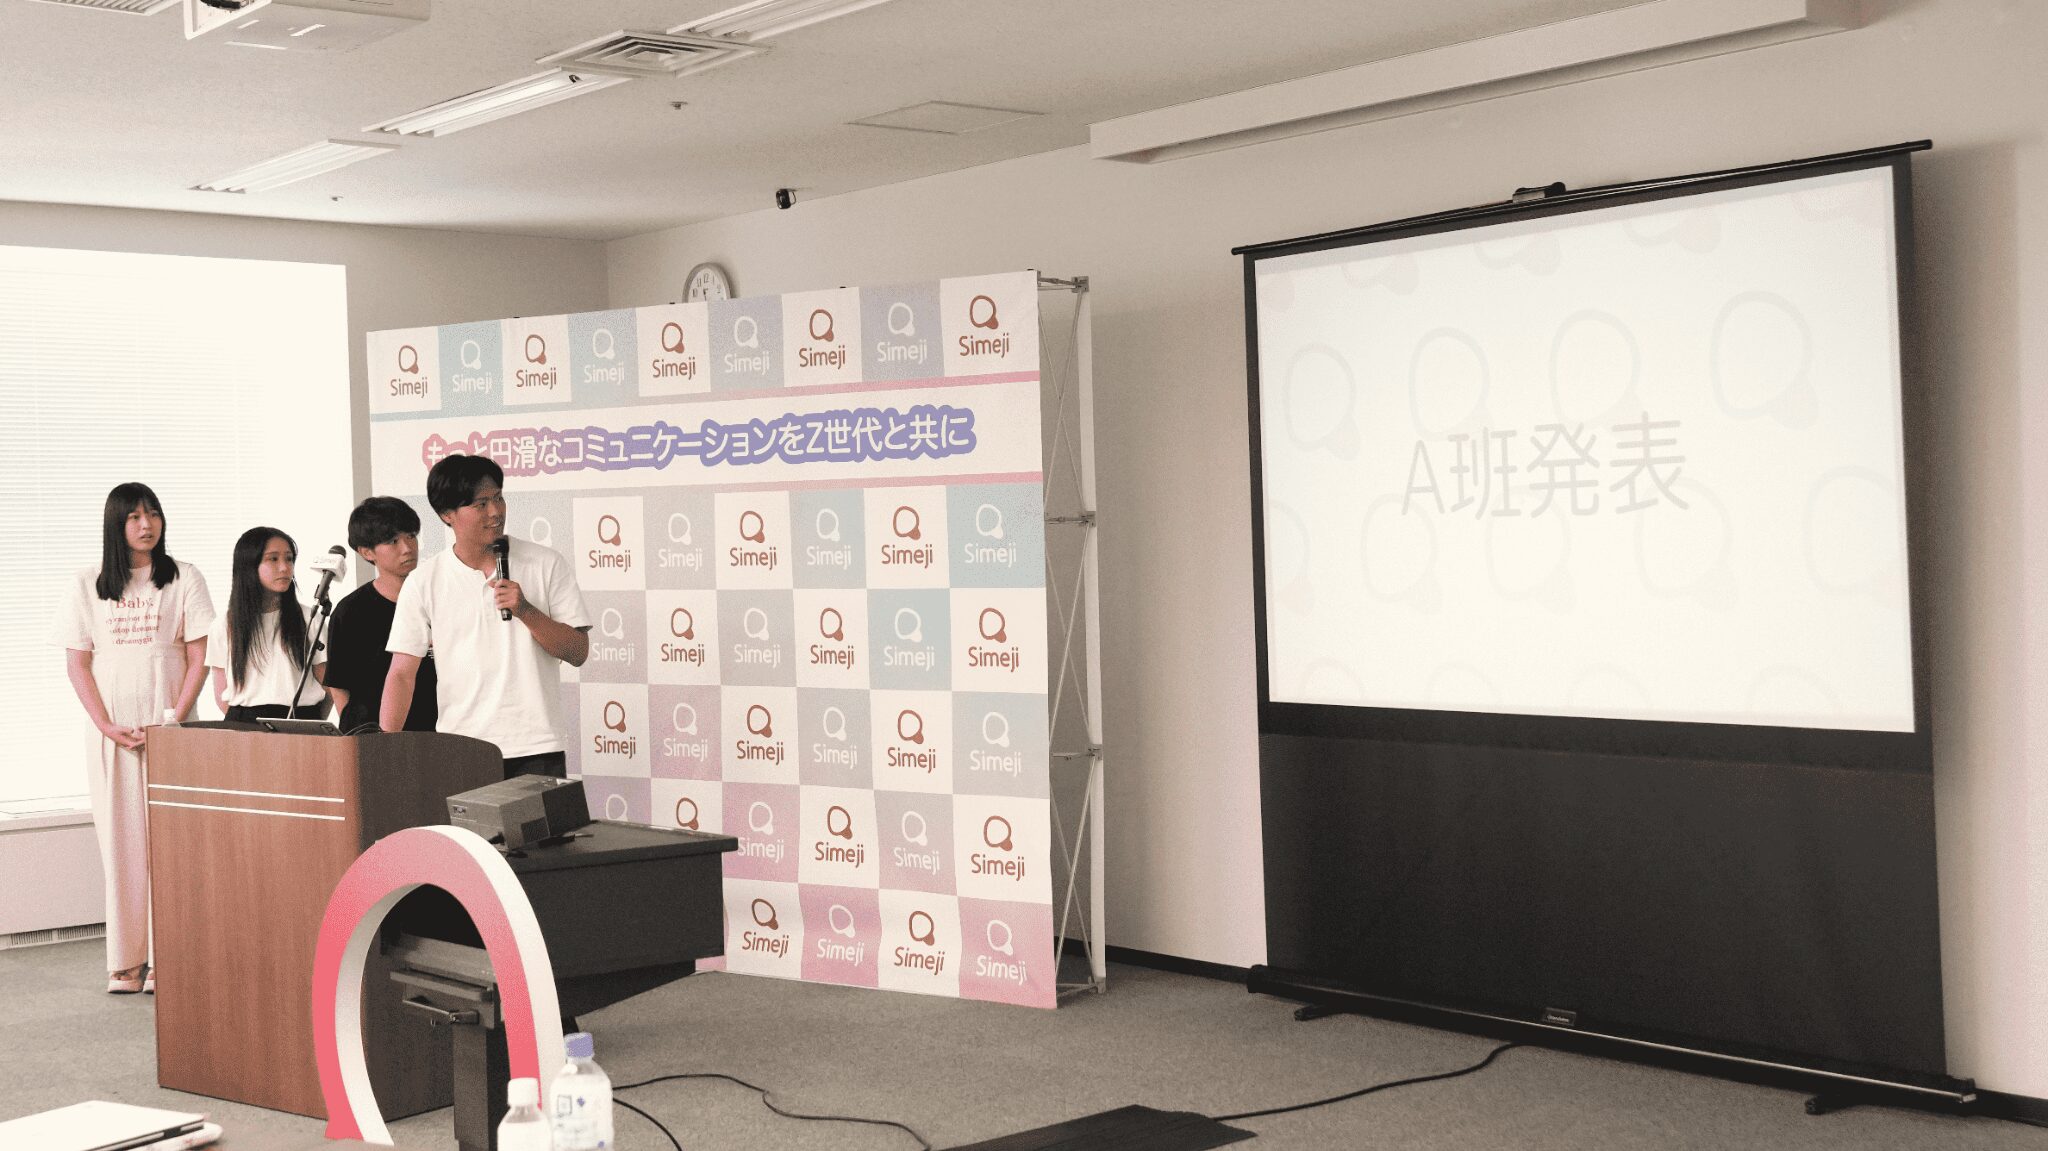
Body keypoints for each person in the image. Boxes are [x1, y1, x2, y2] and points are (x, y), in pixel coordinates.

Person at [53, 482, 215, 995]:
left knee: (171, 843)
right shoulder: (87, 583)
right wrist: (105, 724)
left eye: (154, 514)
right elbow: (78, 663)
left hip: (171, 728)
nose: (147, 525)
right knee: (121, 843)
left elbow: (199, 657)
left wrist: (174, 720)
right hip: (114, 731)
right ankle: (125, 960)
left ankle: (169, 956)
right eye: (134, 517)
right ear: (116, 524)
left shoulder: (184, 576)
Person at [383, 456, 590, 778]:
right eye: (481, 504)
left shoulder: (545, 563)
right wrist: (385, 749)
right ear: (447, 514)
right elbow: (401, 674)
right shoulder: (424, 581)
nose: (495, 512)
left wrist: (526, 610)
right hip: (461, 749)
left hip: (536, 747)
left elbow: (577, 652)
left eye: (498, 498)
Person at [325, 497, 436, 735]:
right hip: (378, 740)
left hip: (440, 735)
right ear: (367, 552)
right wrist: (360, 734)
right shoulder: (350, 611)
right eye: (392, 541)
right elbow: (339, 686)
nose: (407, 548)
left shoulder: (439, 598)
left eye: (411, 536)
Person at [206, 527, 328, 721]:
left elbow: (328, 685)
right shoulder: (224, 625)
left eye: (289, 559)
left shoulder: (310, 618)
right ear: (249, 565)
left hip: (300, 721)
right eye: (273, 559)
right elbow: (222, 692)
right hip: (244, 723)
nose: (284, 567)